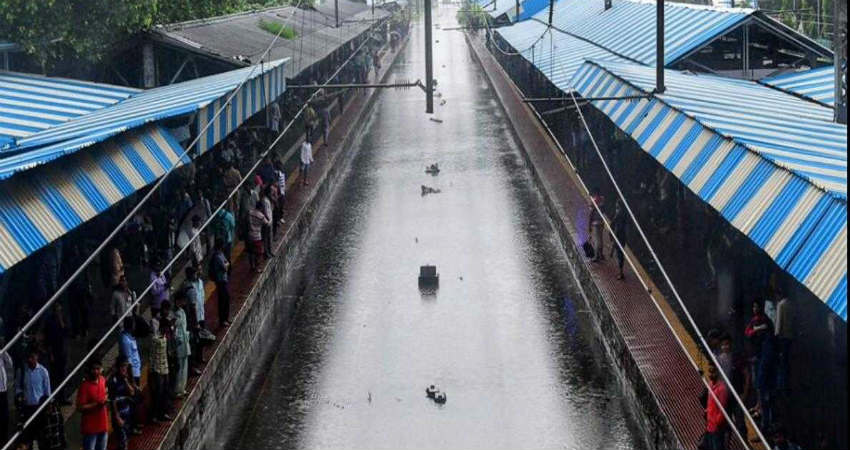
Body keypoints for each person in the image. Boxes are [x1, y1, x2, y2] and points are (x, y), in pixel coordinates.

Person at [745, 299, 775, 429]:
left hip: (760, 362)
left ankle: (765, 423)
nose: (754, 309)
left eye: (756, 306)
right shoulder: (757, 321)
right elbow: (748, 332)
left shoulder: (763, 323)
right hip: (758, 359)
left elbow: (749, 333)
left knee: (762, 389)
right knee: (759, 387)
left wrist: (755, 330)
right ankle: (760, 410)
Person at [15, 351, 51, 449]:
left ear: (37, 357)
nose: (30, 360)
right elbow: (18, 387)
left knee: (41, 436)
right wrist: (19, 395)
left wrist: (47, 406)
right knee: (27, 436)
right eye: (28, 357)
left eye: (32, 357)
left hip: (39, 408)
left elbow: (47, 391)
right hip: (27, 408)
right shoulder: (21, 371)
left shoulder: (43, 371)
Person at [109, 357, 140, 450]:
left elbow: (132, 392)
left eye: (125, 366)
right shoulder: (113, 380)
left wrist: (126, 380)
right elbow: (112, 400)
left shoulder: (126, 378)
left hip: (127, 412)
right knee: (122, 441)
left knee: (127, 438)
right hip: (118, 413)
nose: (124, 368)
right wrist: (117, 417)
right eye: (122, 366)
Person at [76, 361, 109, 450]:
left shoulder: (102, 380)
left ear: (101, 369)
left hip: (103, 426)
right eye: (93, 369)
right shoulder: (84, 386)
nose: (95, 371)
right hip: (90, 429)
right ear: (89, 370)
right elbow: (79, 407)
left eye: (98, 369)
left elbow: (105, 392)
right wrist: (96, 404)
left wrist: (105, 398)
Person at [149, 315, 172, 424]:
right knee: (158, 392)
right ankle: (155, 415)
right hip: (157, 369)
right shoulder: (155, 339)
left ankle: (163, 412)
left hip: (165, 367)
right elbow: (152, 356)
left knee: (165, 391)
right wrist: (152, 371)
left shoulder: (164, 338)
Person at [703, 363, 729, 450]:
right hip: (710, 424)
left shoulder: (721, 389)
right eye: (709, 371)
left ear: (718, 373)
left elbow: (722, 409)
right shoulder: (710, 385)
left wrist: (717, 422)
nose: (710, 374)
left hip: (716, 427)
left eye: (713, 372)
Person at [773, 290, 793, 394]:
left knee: (781, 361)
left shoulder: (780, 305)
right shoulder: (790, 303)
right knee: (787, 360)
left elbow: (778, 323)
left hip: (783, 337)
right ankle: (787, 383)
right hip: (790, 336)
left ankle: (781, 384)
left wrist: (776, 336)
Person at [173, 293, 192, 397]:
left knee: (185, 366)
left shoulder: (182, 312)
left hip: (185, 341)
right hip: (180, 343)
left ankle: (182, 388)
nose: (183, 302)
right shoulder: (175, 314)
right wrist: (178, 339)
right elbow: (175, 330)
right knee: (180, 367)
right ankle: (177, 389)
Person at [211, 240, 232, 328]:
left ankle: (225, 319)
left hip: (223, 280)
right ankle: (223, 320)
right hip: (220, 281)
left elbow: (227, 263)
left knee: (226, 299)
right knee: (223, 300)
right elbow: (225, 267)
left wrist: (226, 264)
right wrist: (226, 264)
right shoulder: (218, 257)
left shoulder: (221, 255)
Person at [118, 318, 142, 386]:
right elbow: (128, 360)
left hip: (137, 370)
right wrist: (131, 377)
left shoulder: (131, 336)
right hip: (133, 373)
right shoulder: (125, 340)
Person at [248, 201, 270, 273]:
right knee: (259, 253)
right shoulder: (261, 216)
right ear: (261, 207)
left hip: (249, 235)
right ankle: (257, 268)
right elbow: (267, 224)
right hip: (257, 236)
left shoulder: (250, 213)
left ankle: (252, 266)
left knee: (251, 252)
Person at [609, 199, 628, 280]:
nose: (616, 208)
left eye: (617, 206)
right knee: (621, 253)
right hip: (623, 236)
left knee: (619, 254)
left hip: (619, 236)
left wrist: (611, 234)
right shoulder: (624, 214)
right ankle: (620, 271)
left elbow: (613, 224)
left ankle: (620, 273)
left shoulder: (618, 214)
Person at [588, 190, 605, 262]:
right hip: (601, 222)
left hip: (595, 223)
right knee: (600, 239)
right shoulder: (602, 199)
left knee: (597, 240)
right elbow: (603, 211)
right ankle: (601, 255)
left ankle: (596, 256)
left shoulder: (593, 201)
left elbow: (591, 214)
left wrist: (589, 225)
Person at [0, 343, 13, 441]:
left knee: (5, 416)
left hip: (3, 391)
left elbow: (10, 363)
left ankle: (4, 438)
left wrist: (3, 351)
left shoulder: (1, 353)